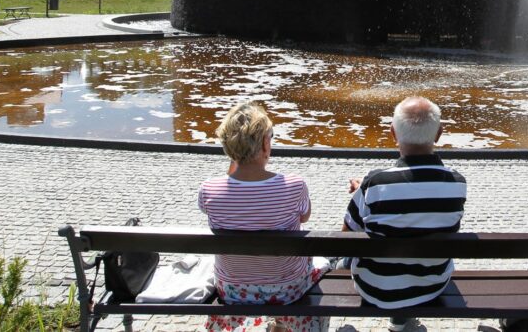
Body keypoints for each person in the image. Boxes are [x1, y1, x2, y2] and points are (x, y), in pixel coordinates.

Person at [199, 102, 328, 332]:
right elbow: (305, 217)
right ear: (265, 144)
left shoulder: (209, 189)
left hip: (232, 289)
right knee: (323, 262)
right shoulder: (293, 185)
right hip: (286, 289)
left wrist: (236, 159)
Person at [343, 96, 467, 331]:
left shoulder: (376, 183)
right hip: (431, 286)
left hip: (374, 287)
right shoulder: (456, 183)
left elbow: (346, 238)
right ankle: (401, 324)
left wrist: (363, 192)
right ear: (439, 134)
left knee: (345, 255)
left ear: (393, 133)